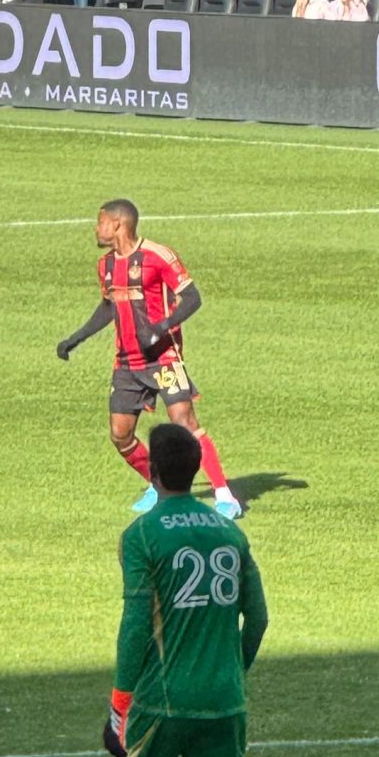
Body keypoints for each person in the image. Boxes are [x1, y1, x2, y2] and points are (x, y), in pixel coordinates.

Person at [103, 422, 283, 757]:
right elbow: (260, 619)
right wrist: (232, 669)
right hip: (223, 696)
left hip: (163, 697)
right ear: (196, 469)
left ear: (152, 470)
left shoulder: (142, 536)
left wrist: (119, 705)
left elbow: (136, 626)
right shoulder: (230, 532)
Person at [56, 199, 242, 520]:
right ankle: (158, 487)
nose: (96, 229)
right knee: (120, 434)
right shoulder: (106, 265)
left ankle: (225, 496)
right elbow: (108, 306)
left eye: (100, 222)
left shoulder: (157, 256)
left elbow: (192, 297)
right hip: (127, 363)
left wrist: (160, 329)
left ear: (117, 224)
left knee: (185, 423)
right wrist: (76, 338)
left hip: (163, 357)